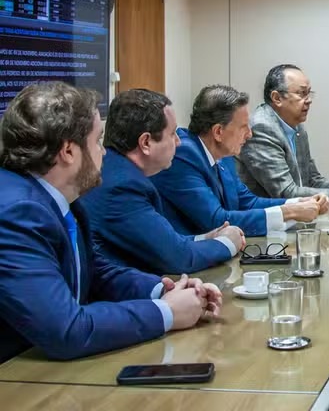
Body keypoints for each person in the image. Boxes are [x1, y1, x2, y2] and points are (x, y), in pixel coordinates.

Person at [0, 82, 221, 363]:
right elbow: (66, 330)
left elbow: (95, 273)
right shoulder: (16, 214)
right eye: (97, 140)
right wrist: (166, 313)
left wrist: (164, 290)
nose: (104, 152)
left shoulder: (59, 199)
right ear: (68, 151)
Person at [79, 89, 246, 275]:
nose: (178, 142)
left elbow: (164, 243)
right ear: (146, 143)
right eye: (172, 134)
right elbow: (178, 258)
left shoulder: (119, 171)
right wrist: (228, 242)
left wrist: (208, 238)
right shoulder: (123, 188)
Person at [151, 85, 328, 237]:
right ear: (218, 132)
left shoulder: (224, 155)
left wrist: (300, 202)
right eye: (243, 127)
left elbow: (247, 202)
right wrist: (289, 212)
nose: (250, 134)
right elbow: (216, 220)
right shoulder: (183, 154)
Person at [236, 65, 329, 204]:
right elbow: (285, 192)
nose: (308, 101)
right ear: (277, 98)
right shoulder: (262, 128)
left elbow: (312, 180)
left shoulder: (296, 126)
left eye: (309, 93)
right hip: (265, 223)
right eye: (301, 93)